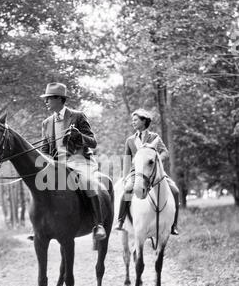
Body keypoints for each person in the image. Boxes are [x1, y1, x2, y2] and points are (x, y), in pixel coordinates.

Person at [40, 82, 106, 241]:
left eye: (48, 98)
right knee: (39, 184)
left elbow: (93, 142)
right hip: (58, 164)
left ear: (59, 99)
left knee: (87, 182)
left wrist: (79, 135)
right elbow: (44, 151)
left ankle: (98, 225)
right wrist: (47, 164)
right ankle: (40, 225)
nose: (46, 102)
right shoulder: (46, 123)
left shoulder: (78, 116)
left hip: (80, 161)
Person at [115, 108, 180, 235]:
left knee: (175, 190)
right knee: (127, 188)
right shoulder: (130, 140)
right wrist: (124, 177)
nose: (133, 123)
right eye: (132, 120)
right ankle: (121, 220)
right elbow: (127, 160)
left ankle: (174, 225)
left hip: (154, 171)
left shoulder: (154, 137)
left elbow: (165, 152)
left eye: (135, 120)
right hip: (136, 173)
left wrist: (156, 161)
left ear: (144, 121)